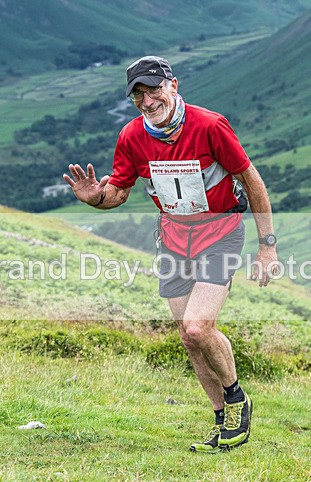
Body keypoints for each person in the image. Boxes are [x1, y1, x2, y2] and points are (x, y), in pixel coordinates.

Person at [63, 55, 278, 453]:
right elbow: (120, 191)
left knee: (198, 327)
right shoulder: (131, 136)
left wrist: (267, 246)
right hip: (174, 240)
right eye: (138, 95)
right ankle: (221, 421)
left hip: (220, 234)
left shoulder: (210, 126)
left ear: (173, 86)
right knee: (189, 338)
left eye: (154, 90)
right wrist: (96, 199)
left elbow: (251, 178)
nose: (147, 101)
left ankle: (237, 401)